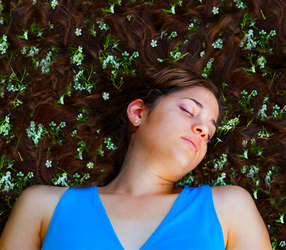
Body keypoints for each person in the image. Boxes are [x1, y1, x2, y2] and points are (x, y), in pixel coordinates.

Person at [0, 67, 272, 250]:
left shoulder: (229, 208)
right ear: (138, 113)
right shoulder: (41, 207)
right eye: (189, 111)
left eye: (209, 134)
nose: (202, 130)